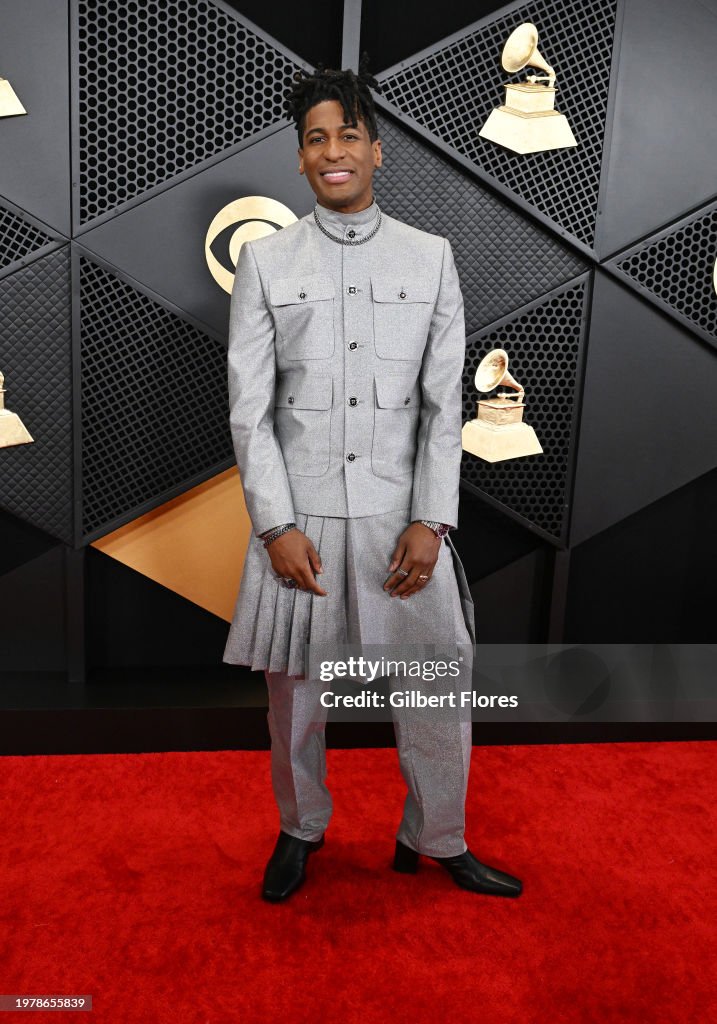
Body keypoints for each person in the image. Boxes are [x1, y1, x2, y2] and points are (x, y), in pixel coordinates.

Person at [223, 54, 522, 903]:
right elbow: (250, 411)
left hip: (403, 527)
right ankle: (299, 830)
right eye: (315, 138)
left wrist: (431, 519)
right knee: (294, 704)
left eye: (347, 134)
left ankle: (437, 837)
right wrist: (276, 527)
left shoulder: (430, 257)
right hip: (302, 527)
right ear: (300, 156)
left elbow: (442, 405)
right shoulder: (266, 262)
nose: (332, 152)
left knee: (435, 691)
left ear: (376, 149)